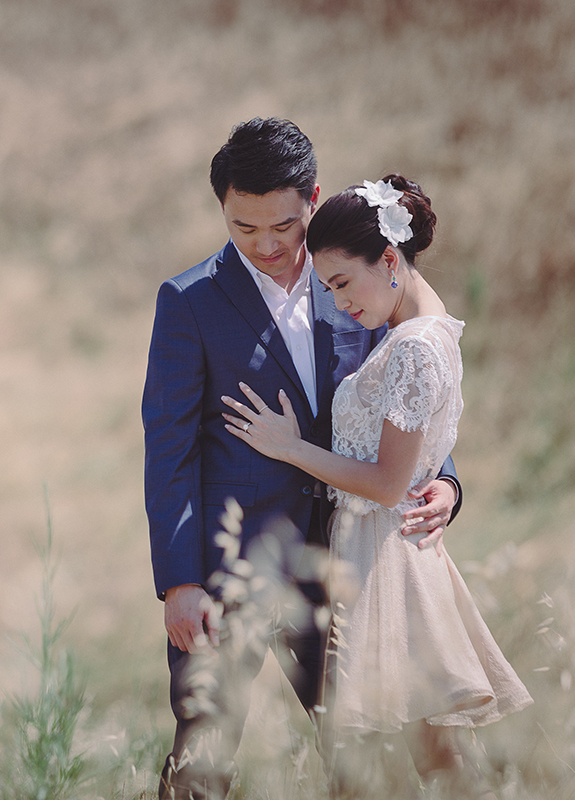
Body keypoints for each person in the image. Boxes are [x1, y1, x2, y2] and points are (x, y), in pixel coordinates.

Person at [141, 118, 462, 799]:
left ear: (312, 199)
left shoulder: (352, 277)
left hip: (351, 563)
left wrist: (449, 484)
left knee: (361, 754)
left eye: (283, 226)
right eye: (242, 228)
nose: (265, 245)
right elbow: (168, 451)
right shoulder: (188, 304)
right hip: (231, 570)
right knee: (204, 754)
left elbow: (407, 390)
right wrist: (179, 581)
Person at [222, 174, 532, 797]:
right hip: (380, 550)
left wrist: (291, 449)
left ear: (390, 259)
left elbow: (390, 483)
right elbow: (414, 466)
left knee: (408, 754)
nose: (338, 304)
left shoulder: (415, 347)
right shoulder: (423, 332)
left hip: (387, 558)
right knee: (425, 753)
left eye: (341, 283)